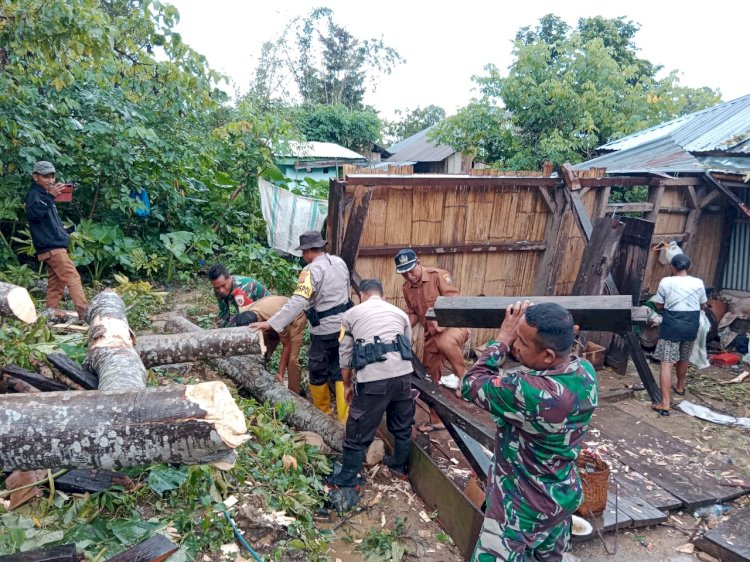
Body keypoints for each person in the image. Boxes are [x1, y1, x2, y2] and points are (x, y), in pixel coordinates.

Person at [461, 301, 598, 562]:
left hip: (519, 510)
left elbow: (472, 383)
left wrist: (502, 338)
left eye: (521, 341)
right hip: (559, 498)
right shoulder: (585, 372)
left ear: (547, 355)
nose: (515, 345)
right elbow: (534, 364)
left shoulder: (528, 391)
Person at [327, 279, 416, 492]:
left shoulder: (351, 315)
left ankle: (349, 478)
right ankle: (399, 465)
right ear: (382, 295)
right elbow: (407, 345)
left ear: (362, 296)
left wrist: (347, 386)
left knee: (357, 428)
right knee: (402, 424)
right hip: (404, 376)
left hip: (374, 379)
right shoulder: (399, 313)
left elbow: (346, 356)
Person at [252, 231, 351, 422]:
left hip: (323, 330)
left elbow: (297, 301)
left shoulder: (310, 271)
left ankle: (324, 416)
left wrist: (270, 322)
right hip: (344, 328)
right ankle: (345, 421)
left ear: (306, 252)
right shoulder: (340, 263)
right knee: (340, 371)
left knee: (317, 371)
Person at [396, 248, 468, 433]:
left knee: (446, 343)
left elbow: (455, 303)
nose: (409, 275)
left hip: (453, 326)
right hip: (431, 336)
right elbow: (413, 313)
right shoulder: (406, 288)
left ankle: (466, 381)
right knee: (429, 378)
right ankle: (437, 420)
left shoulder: (438, 276)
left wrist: (441, 320)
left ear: (419, 263)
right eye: (404, 272)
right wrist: (399, 329)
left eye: (411, 270)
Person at [25, 161, 88, 320]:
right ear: (35, 177)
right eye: (46, 176)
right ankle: (84, 313)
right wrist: (51, 196)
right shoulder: (35, 195)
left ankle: (50, 313)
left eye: (52, 176)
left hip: (54, 245)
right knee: (72, 277)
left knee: (56, 282)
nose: (50, 180)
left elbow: (47, 222)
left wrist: (65, 232)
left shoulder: (46, 196)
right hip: (52, 248)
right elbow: (33, 214)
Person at [650, 253, 707, 416]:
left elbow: (659, 305)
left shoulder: (666, 282)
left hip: (672, 326)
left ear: (672, 267)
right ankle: (680, 387)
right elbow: (703, 305)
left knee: (667, 363)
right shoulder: (698, 282)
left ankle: (665, 403)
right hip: (691, 325)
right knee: (684, 357)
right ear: (689, 267)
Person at [234, 296, 306, 395]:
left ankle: (295, 395)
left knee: (292, 359)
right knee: (261, 350)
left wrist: (280, 373)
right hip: (268, 318)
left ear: (259, 322)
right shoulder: (245, 313)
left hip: (295, 315)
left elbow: (286, 345)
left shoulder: (278, 318)